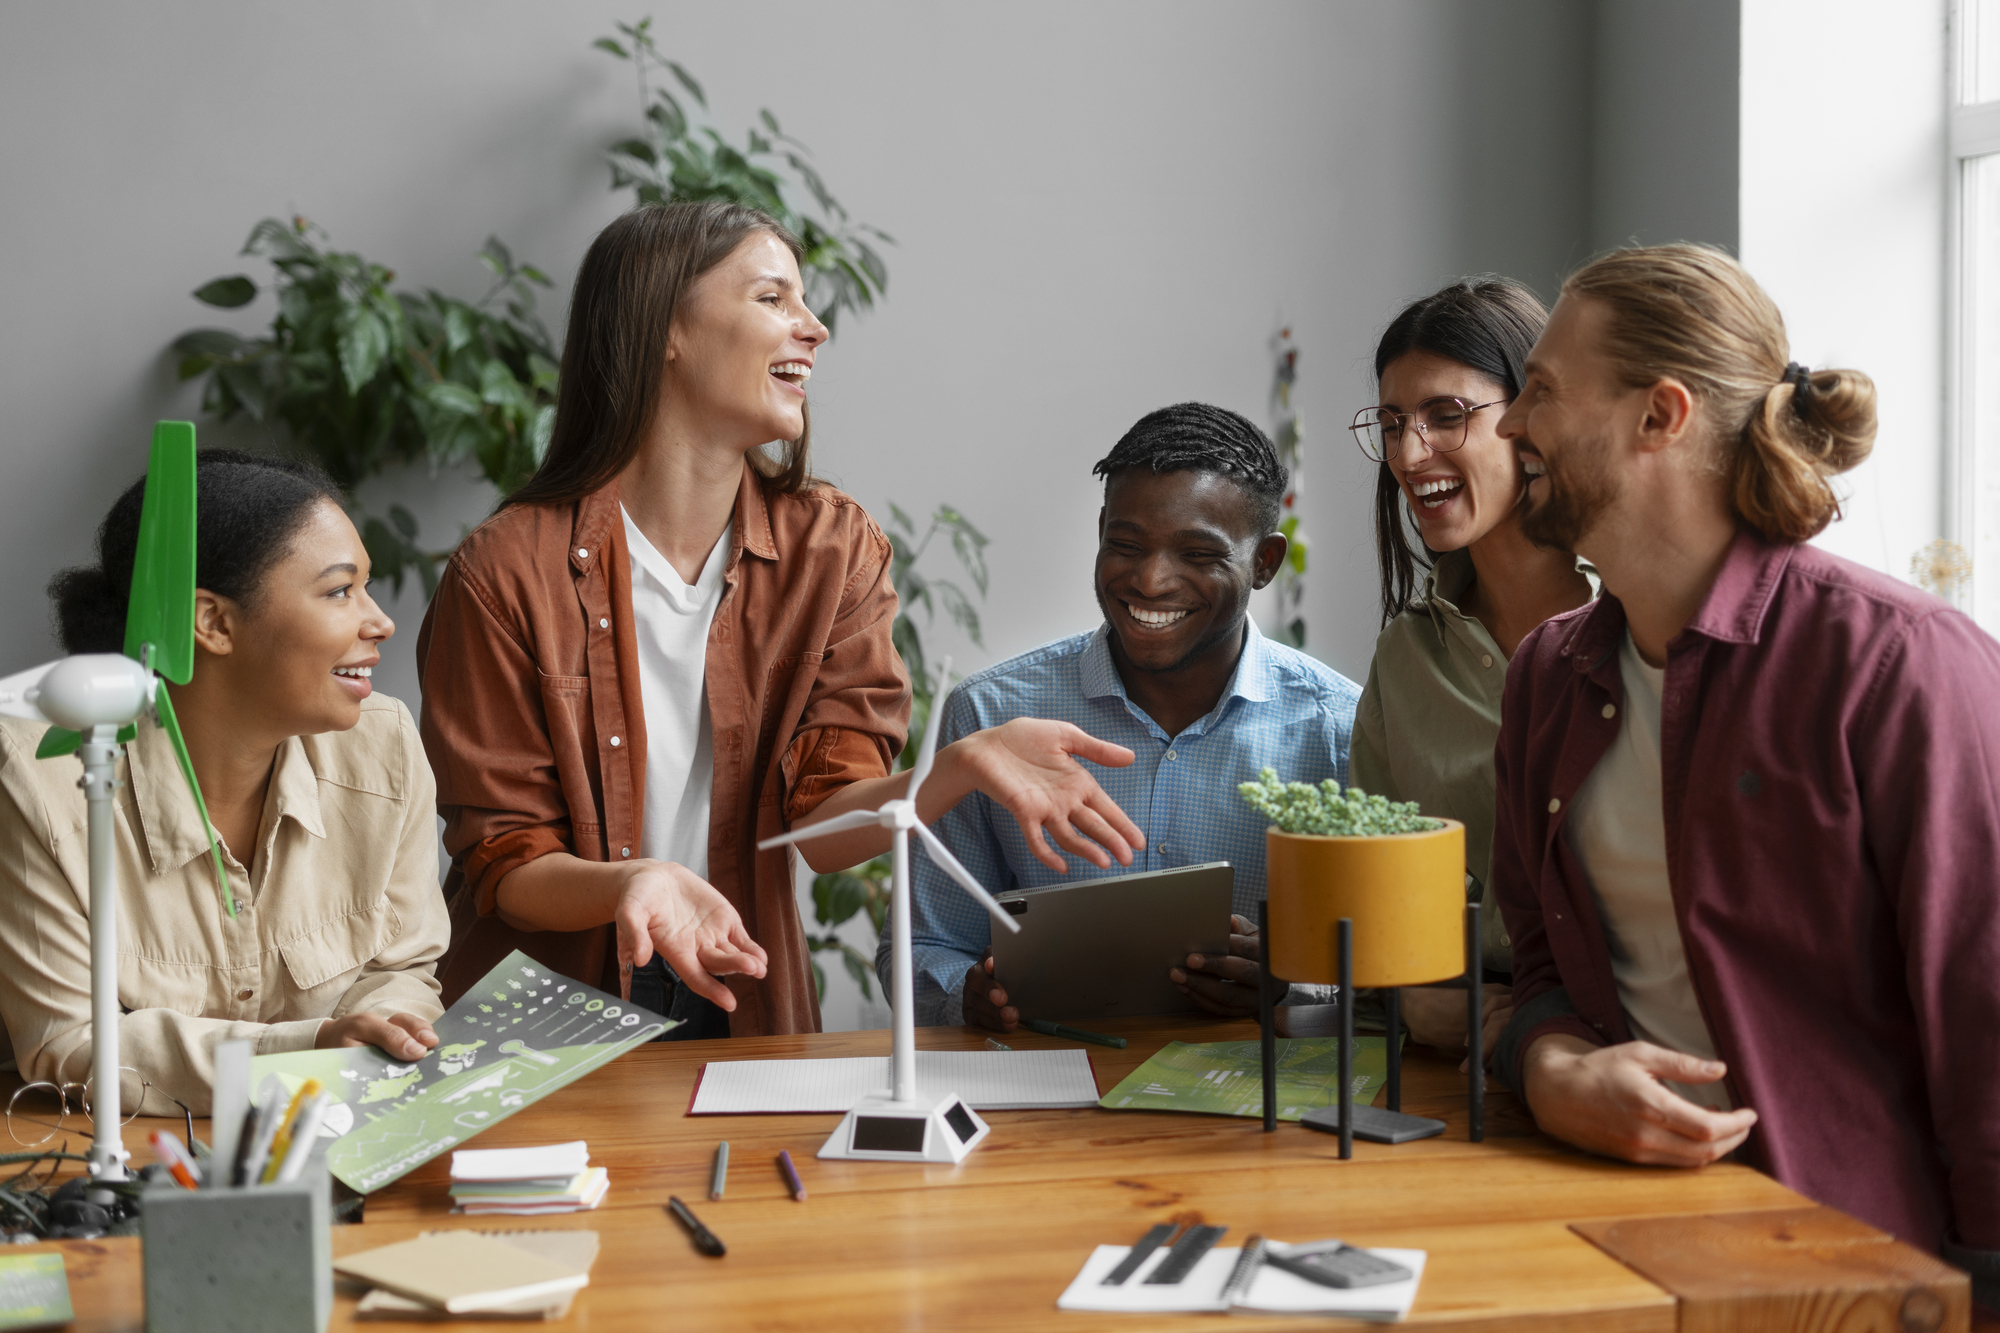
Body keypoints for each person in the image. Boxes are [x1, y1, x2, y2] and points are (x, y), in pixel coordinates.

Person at [419, 201, 1142, 1038]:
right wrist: (632, 886)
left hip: (736, 999)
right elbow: (505, 860)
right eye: (773, 299)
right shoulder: (505, 569)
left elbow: (826, 830)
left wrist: (959, 766)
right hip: (539, 1017)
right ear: (666, 329)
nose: (815, 328)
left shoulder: (833, 551)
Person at [1487, 242, 2000, 1294]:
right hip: (1612, 1241)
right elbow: (1537, 968)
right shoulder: (1545, 675)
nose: (1506, 422)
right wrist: (1551, 1071)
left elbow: (1983, 1009)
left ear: (1658, 415)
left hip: (1856, 1275)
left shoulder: (1899, 663)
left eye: (1537, 389)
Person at [0, 451, 447, 1114]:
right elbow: (67, 1040)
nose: (378, 620)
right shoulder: (41, 775)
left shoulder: (383, 744)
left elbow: (403, 968)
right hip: (120, 1168)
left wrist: (382, 1032)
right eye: (338, 591)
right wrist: (310, 1047)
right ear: (212, 621)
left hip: (341, 1137)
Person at [892, 402, 1363, 1029]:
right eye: (1126, 544)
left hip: (1256, 1098)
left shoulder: (1339, 729)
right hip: (1042, 1092)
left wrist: (1294, 992)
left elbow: (1389, 982)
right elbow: (923, 950)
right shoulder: (989, 716)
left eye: (1198, 554)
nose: (1150, 579)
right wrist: (965, 996)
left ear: (1266, 563)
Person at [1347, 279, 1594, 1054]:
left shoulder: (1638, 626)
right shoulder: (1407, 657)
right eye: (1392, 423)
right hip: (1454, 1069)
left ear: (1530, 415)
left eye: (1445, 415)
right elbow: (1373, 896)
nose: (1410, 453)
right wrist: (1414, 1002)